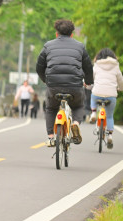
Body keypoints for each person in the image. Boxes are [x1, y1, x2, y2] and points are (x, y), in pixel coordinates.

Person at [35, 19, 93, 147]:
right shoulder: (80, 46)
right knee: (78, 106)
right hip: (75, 86)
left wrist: (46, 80)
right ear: (72, 34)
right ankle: (76, 124)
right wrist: (89, 82)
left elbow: (39, 67)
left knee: (51, 108)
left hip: (54, 86)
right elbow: (88, 67)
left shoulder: (48, 46)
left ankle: (51, 137)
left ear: (57, 34)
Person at [88, 48, 123, 149]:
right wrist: (120, 88)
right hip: (111, 95)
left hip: (97, 92)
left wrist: (89, 86)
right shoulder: (115, 66)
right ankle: (110, 136)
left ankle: (93, 112)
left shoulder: (97, 65)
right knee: (109, 116)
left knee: (93, 96)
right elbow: (120, 81)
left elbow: (91, 78)